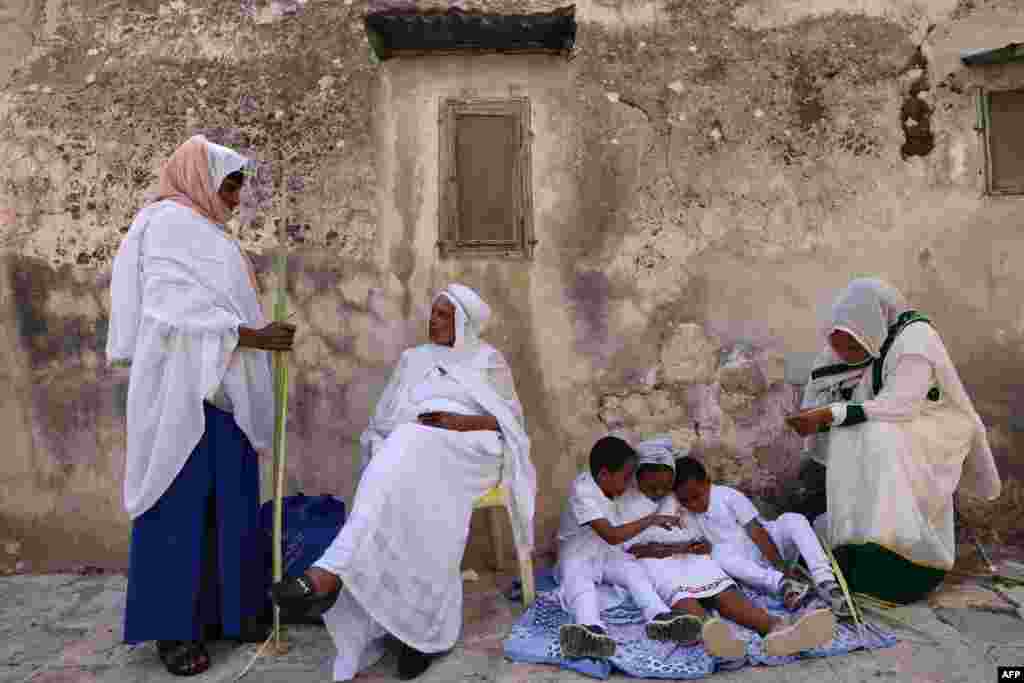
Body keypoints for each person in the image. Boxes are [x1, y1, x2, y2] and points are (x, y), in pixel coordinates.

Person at [271, 284, 535, 681]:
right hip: (415, 448)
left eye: (444, 315)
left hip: (472, 448)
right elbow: (386, 415)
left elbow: (510, 423)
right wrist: (405, 427)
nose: (433, 320)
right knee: (403, 459)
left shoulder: (487, 360)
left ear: (464, 322)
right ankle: (413, 631)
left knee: (406, 451)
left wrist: (457, 422)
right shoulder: (414, 359)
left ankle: (332, 570)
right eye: (433, 312)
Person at [107, 135, 296, 676]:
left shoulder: (212, 235)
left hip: (224, 390)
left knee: (230, 504)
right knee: (177, 507)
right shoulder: (166, 225)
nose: (237, 198)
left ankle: (231, 615)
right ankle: (173, 631)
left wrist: (257, 336)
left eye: (239, 187)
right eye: (230, 184)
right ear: (200, 177)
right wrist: (256, 337)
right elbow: (171, 312)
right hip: (179, 391)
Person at [787, 278, 1002, 604]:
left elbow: (902, 405)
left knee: (875, 434)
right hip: (891, 421)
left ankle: (906, 550)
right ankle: (857, 542)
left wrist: (831, 413)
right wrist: (820, 412)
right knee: (857, 432)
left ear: (870, 328)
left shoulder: (916, 339)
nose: (843, 355)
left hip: (935, 426)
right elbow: (829, 374)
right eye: (838, 346)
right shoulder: (866, 338)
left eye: (851, 347)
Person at [623, 437, 836, 658]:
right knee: (683, 594)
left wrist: (690, 546)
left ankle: (777, 628)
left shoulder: (682, 499)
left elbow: (705, 537)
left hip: (696, 556)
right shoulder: (630, 502)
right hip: (658, 562)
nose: (659, 491)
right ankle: (715, 636)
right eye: (652, 487)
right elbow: (631, 545)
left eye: (665, 487)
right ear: (637, 480)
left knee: (723, 590)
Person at [555, 435, 695, 660]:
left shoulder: (610, 486)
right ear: (603, 475)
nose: (630, 483)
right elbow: (611, 535)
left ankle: (660, 616)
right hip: (577, 556)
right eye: (627, 477)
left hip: (606, 554)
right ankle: (589, 630)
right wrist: (652, 520)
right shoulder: (582, 492)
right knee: (580, 584)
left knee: (633, 571)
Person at [673, 456, 848, 622]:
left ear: (707, 482)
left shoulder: (727, 496)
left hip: (772, 550)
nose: (693, 504)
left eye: (696, 496)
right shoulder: (686, 515)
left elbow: (757, 532)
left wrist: (783, 568)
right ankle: (783, 585)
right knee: (717, 554)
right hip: (751, 569)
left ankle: (825, 582)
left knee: (793, 519)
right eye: (685, 500)